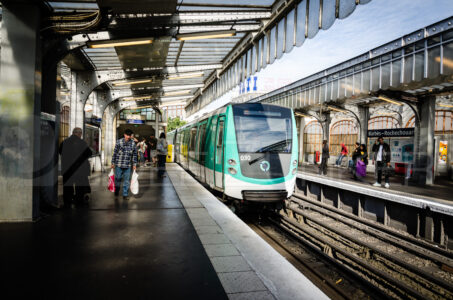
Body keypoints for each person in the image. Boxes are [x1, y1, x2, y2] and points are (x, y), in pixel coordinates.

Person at [59, 127, 92, 207]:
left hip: (67, 168)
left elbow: (60, 151)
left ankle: (67, 202)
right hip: (79, 169)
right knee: (79, 186)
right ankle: (79, 201)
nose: (81, 135)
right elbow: (89, 153)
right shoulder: (82, 143)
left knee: (67, 186)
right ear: (78, 133)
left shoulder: (64, 142)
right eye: (80, 134)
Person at [111, 129, 137, 200]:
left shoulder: (133, 143)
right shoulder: (119, 142)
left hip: (128, 165)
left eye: (130, 136)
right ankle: (117, 189)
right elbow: (115, 153)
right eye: (127, 135)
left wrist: (134, 164)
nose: (128, 137)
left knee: (127, 180)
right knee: (118, 178)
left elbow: (135, 155)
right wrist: (112, 163)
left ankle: (125, 194)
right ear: (124, 134)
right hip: (119, 164)